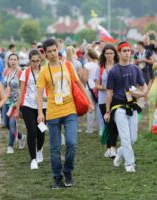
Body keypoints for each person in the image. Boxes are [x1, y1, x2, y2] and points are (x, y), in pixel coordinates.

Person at [36, 38, 93, 189]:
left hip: (70, 111)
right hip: (53, 113)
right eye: (49, 52)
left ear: (58, 50)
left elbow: (79, 83)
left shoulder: (67, 66)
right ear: (46, 55)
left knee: (72, 144)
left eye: (55, 50)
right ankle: (56, 177)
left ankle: (67, 171)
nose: (53, 54)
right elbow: (40, 93)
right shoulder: (43, 71)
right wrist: (40, 112)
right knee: (55, 148)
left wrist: (89, 101)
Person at [104, 41, 147, 173]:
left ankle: (121, 152)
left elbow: (144, 85)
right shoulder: (113, 71)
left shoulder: (135, 69)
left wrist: (141, 93)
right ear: (119, 52)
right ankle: (130, 164)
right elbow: (109, 93)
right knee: (125, 137)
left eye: (129, 51)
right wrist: (107, 112)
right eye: (124, 51)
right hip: (118, 107)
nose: (127, 53)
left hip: (132, 106)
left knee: (133, 138)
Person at [14, 49, 47, 170]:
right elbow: (21, 91)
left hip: (43, 106)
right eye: (33, 61)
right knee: (32, 131)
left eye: (37, 61)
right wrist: (17, 109)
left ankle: (39, 150)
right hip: (28, 105)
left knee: (41, 132)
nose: (35, 63)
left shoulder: (45, 71)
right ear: (29, 61)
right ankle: (33, 159)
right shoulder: (25, 72)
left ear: (41, 60)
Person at [95, 44, 119, 158]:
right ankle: (109, 147)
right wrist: (108, 88)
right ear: (104, 55)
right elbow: (97, 85)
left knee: (114, 124)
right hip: (103, 100)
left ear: (115, 54)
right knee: (107, 123)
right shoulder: (100, 68)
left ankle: (113, 148)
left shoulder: (118, 67)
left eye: (111, 53)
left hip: (117, 99)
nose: (109, 55)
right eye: (107, 53)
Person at [3, 53, 26, 154]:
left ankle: (10, 146)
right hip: (6, 102)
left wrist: (18, 102)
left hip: (15, 103)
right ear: (8, 61)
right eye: (11, 59)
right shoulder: (6, 72)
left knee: (12, 126)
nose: (12, 61)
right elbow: (4, 87)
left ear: (17, 61)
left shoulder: (20, 73)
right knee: (6, 124)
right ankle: (21, 137)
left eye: (14, 59)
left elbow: (23, 89)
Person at [85, 48, 104, 134]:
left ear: (88, 56)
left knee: (90, 108)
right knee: (98, 109)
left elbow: (84, 78)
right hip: (97, 88)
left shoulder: (87, 65)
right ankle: (100, 128)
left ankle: (90, 129)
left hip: (89, 89)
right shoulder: (98, 65)